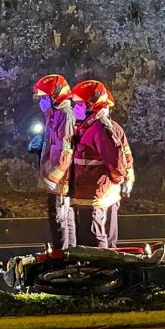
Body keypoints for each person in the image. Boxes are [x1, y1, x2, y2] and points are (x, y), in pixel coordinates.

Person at [68, 80, 134, 249]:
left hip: (94, 195)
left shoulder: (100, 129)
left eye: (80, 104)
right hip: (88, 193)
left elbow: (117, 161)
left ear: (91, 105)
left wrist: (119, 180)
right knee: (90, 239)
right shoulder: (87, 127)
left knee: (95, 241)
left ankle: (103, 271)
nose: (77, 107)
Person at [32, 74, 78, 252]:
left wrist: (53, 178)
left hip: (59, 181)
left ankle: (63, 256)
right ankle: (71, 254)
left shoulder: (65, 116)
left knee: (59, 218)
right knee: (65, 218)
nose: (42, 101)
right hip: (57, 179)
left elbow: (65, 152)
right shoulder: (55, 114)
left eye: (44, 97)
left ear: (55, 96)